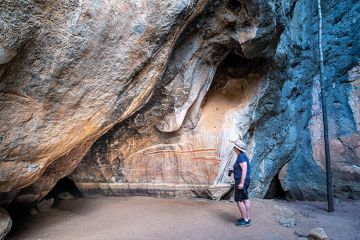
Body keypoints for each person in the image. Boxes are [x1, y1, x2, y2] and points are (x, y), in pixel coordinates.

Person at [229, 139, 251, 227]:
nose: (234, 147)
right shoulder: (242, 156)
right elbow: (241, 169)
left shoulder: (241, 157)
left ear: (237, 148)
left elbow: (244, 170)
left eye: (235, 146)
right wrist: (233, 171)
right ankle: (247, 218)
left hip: (242, 181)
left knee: (238, 200)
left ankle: (245, 220)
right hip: (245, 180)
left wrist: (241, 183)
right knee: (245, 199)